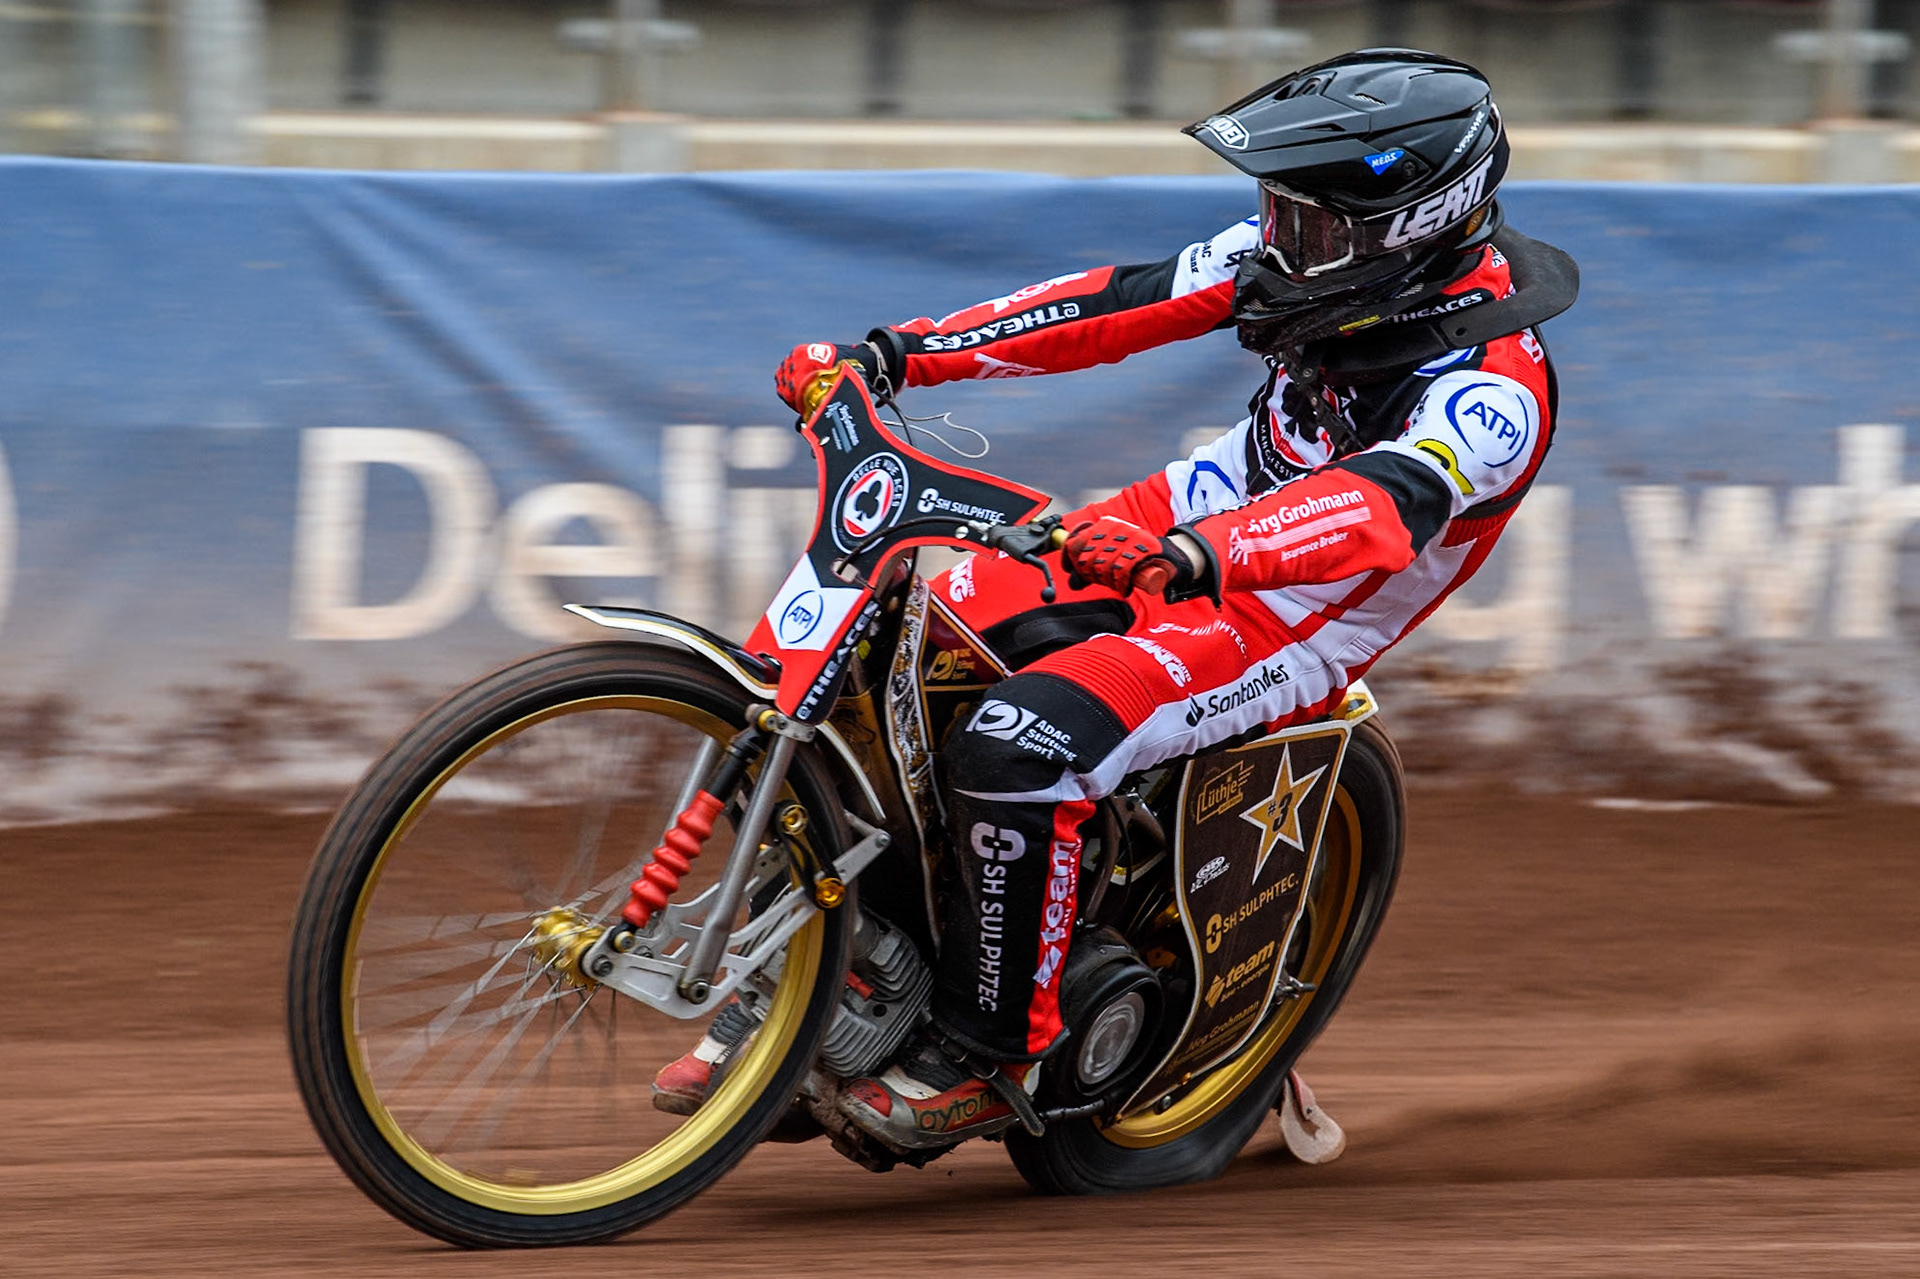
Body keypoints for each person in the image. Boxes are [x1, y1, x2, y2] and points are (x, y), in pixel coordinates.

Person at [657, 48, 1575, 1153]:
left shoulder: (1495, 390)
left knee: (1021, 744)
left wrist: (1194, 555)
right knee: (864, 658)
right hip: (1182, 526)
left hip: (1285, 618)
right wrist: (898, 355)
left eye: (1311, 221)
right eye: (1276, 208)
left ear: (1409, 229)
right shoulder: (1303, 260)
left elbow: (1372, 508)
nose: (1279, 237)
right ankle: (830, 962)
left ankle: (992, 1050)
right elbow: (1116, 304)